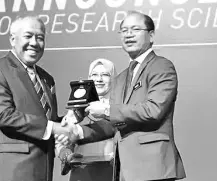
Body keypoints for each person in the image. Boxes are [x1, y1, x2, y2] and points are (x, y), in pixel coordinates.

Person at [64, 11, 186, 181]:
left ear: (151, 35)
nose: (128, 34)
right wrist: (77, 131)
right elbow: (111, 124)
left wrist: (106, 109)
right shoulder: (121, 78)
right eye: (124, 30)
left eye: (135, 29)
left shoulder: (162, 67)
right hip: (124, 170)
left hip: (153, 166)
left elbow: (154, 110)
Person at [0, 16, 78, 181]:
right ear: (13, 39)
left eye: (40, 38)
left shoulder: (47, 79)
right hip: (10, 172)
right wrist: (55, 127)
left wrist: (72, 118)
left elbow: (46, 121)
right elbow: (4, 116)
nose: (34, 42)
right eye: (28, 36)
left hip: (42, 172)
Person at [56, 58, 117, 180]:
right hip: (81, 171)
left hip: (110, 170)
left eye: (105, 75)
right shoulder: (77, 106)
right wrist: (66, 154)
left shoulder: (118, 107)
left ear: (113, 78)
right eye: (94, 75)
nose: (99, 79)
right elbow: (62, 139)